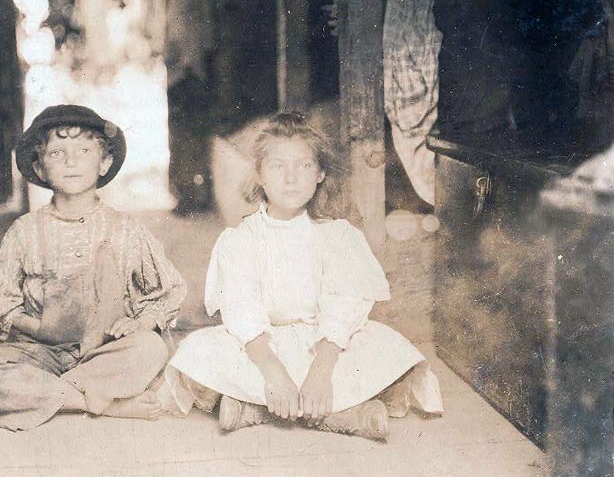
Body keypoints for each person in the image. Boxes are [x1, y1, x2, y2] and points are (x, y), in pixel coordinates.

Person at [162, 112, 443, 440]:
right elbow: (242, 311)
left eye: (304, 166)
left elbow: (343, 308)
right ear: (260, 175)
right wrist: (274, 374)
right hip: (264, 348)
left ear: (321, 173)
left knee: (390, 348)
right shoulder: (240, 239)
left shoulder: (337, 236)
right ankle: (337, 414)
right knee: (197, 351)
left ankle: (260, 409)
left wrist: (321, 373)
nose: (291, 178)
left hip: (322, 346)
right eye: (278, 166)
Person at [0, 105, 186, 431]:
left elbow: (169, 290)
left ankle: (56, 394)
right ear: (39, 166)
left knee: (152, 348)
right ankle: (100, 402)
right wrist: (39, 329)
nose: (71, 161)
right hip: (40, 355)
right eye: (56, 152)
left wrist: (141, 323)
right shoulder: (24, 232)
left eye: (84, 150)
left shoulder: (126, 230)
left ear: (104, 161)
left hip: (106, 352)